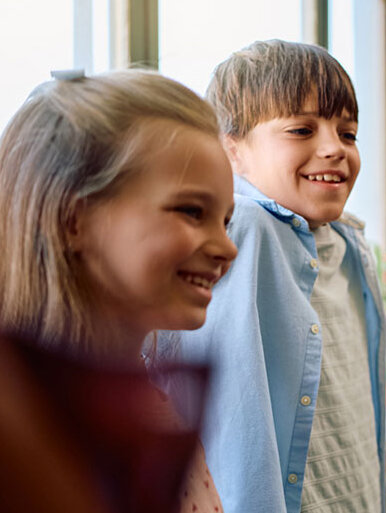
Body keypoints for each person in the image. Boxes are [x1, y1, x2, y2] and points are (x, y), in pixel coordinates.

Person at [151, 40, 386, 513]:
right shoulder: (243, 227)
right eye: (301, 130)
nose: (333, 149)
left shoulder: (347, 243)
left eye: (349, 134)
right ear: (230, 150)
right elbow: (231, 427)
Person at [0, 69, 237, 512]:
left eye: (226, 220)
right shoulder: (22, 425)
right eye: (191, 211)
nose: (228, 248)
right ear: (73, 220)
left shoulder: (150, 408)